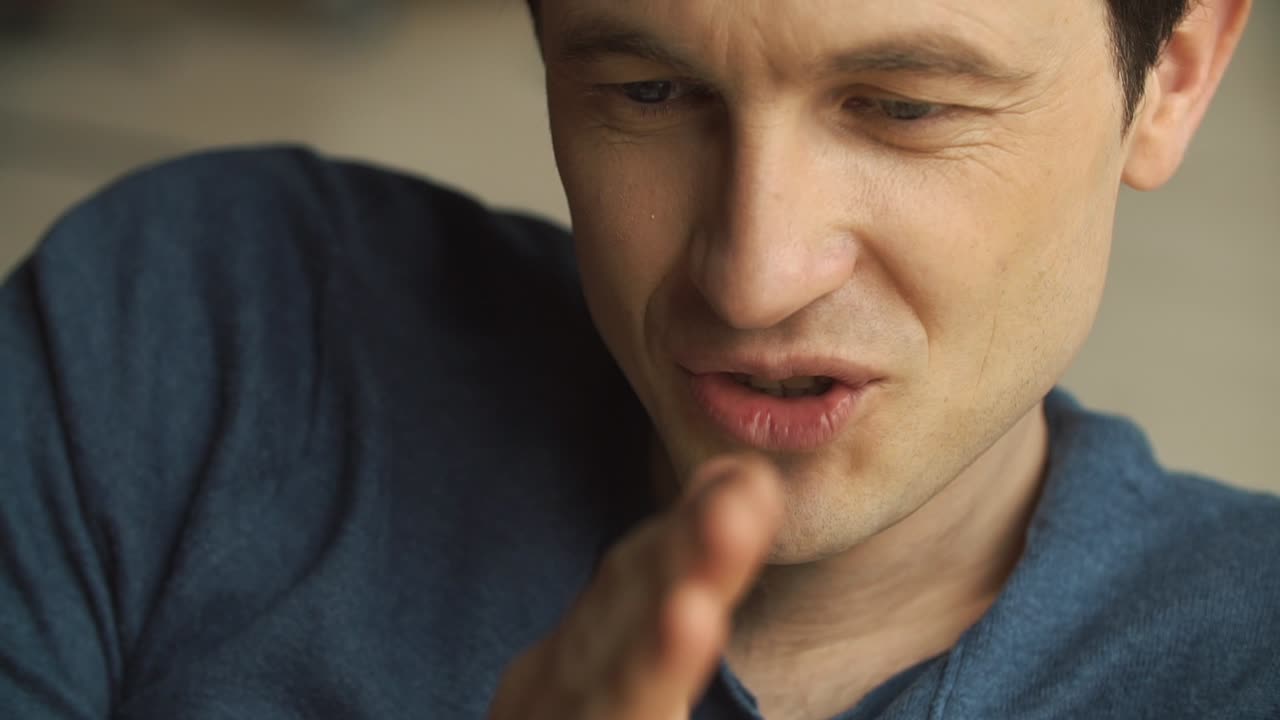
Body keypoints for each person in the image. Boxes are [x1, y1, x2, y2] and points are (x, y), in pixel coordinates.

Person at [1, 0, 1275, 718]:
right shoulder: (201, 339)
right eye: (648, 93)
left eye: (902, 108)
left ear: (1171, 72)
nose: (751, 273)